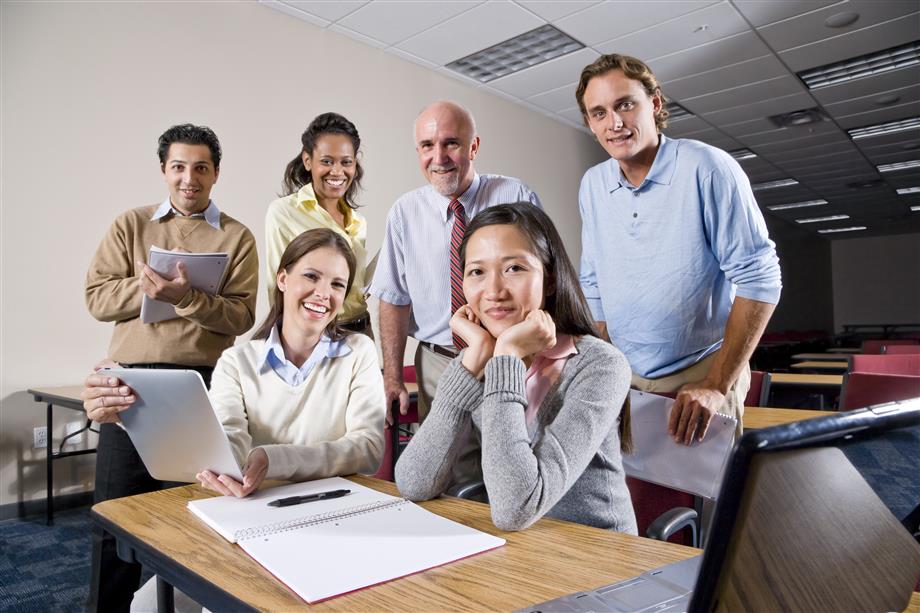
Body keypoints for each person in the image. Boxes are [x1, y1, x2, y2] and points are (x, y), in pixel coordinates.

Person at [87, 229, 385, 611]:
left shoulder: (358, 352)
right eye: (311, 276)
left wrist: (272, 459)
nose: (323, 293)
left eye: (337, 284)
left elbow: (368, 448)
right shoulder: (236, 361)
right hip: (251, 522)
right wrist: (133, 413)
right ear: (282, 279)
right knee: (144, 607)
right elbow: (228, 439)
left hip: (331, 518)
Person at [82, 123, 258, 613]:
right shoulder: (130, 225)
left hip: (202, 385)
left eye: (201, 168)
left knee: (196, 516)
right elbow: (96, 298)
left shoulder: (237, 236)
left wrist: (186, 299)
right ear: (164, 171)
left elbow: (240, 316)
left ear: (215, 173)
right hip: (129, 384)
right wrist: (148, 288)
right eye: (178, 167)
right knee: (114, 514)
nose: (189, 178)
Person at [575, 54, 782, 444]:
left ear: (654, 103)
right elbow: (593, 281)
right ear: (589, 122)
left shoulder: (707, 167)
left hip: (701, 374)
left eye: (625, 104)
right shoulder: (592, 184)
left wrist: (717, 383)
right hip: (627, 376)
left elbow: (761, 278)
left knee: (705, 504)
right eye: (598, 113)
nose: (614, 123)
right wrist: (606, 366)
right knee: (633, 499)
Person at [395, 203, 636, 534]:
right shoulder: (480, 359)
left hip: (599, 559)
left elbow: (514, 508)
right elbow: (413, 482)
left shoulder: (600, 366)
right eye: (477, 272)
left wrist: (506, 356)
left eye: (514, 269)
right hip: (521, 553)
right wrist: (473, 359)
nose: (494, 291)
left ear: (549, 279)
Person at [370, 100, 542, 433]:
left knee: (511, 457)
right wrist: (392, 376)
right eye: (427, 146)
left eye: (451, 143)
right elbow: (393, 297)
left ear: (473, 146)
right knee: (445, 470)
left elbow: (546, 282)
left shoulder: (515, 195)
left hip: (508, 356)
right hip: (438, 362)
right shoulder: (404, 213)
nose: (439, 157)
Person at [265, 113, 372, 335]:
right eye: (326, 161)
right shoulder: (284, 212)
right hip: (315, 335)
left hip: (361, 332)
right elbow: (277, 289)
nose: (337, 171)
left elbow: (355, 288)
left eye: (346, 162)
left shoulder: (358, 222)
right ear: (307, 161)